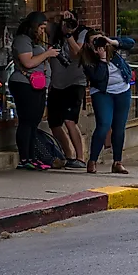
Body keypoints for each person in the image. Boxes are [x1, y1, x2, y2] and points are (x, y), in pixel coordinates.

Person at [79, 30, 136, 174]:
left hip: (122, 90)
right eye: (93, 41)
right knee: (104, 124)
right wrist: (102, 59)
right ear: (87, 44)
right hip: (102, 92)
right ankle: (92, 160)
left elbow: (131, 43)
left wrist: (111, 42)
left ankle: (117, 162)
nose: (98, 44)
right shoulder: (87, 59)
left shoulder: (111, 47)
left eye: (99, 40)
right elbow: (97, 78)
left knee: (119, 127)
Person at [9, 12, 58, 171]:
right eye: (41, 27)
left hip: (38, 86)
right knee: (26, 121)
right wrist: (47, 54)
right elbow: (28, 62)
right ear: (34, 26)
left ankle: (32, 157)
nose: (43, 31)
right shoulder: (22, 40)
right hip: (24, 84)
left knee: (34, 123)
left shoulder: (34, 41)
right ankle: (24, 158)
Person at [48, 10, 90, 169]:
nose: (68, 23)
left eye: (72, 20)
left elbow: (77, 53)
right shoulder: (54, 30)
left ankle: (80, 158)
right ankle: (68, 155)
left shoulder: (82, 32)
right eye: (66, 21)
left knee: (70, 120)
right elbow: (36, 18)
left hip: (75, 82)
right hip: (57, 83)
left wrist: (69, 34)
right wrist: (58, 14)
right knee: (54, 122)